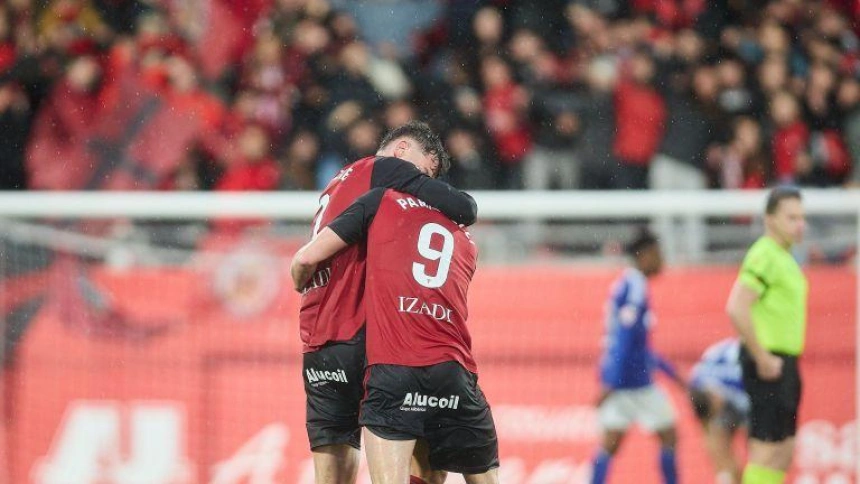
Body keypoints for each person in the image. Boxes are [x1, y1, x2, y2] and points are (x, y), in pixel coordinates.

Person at [298, 121, 478, 484]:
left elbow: (303, 261)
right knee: (426, 457)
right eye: (424, 173)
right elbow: (464, 208)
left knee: (332, 474)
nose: (422, 188)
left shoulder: (339, 182)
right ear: (402, 150)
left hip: (319, 338)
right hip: (364, 330)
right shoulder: (386, 168)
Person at [726, 187, 807, 484]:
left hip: (786, 360)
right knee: (766, 449)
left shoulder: (786, 257)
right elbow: (737, 307)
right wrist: (761, 356)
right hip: (768, 361)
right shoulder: (764, 254)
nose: (799, 225)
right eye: (791, 218)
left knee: (784, 449)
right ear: (770, 219)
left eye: (801, 218)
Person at [591, 229, 682, 484]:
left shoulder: (628, 284)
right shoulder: (635, 287)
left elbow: (638, 346)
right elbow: (625, 338)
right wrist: (611, 382)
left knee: (610, 444)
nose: (662, 260)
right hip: (634, 381)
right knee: (669, 435)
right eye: (658, 254)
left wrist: (674, 375)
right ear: (645, 255)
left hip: (623, 377)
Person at [688, 338, 750, 484]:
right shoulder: (697, 382)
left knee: (759, 449)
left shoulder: (739, 379)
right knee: (717, 443)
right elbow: (706, 425)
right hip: (725, 397)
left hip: (750, 396)